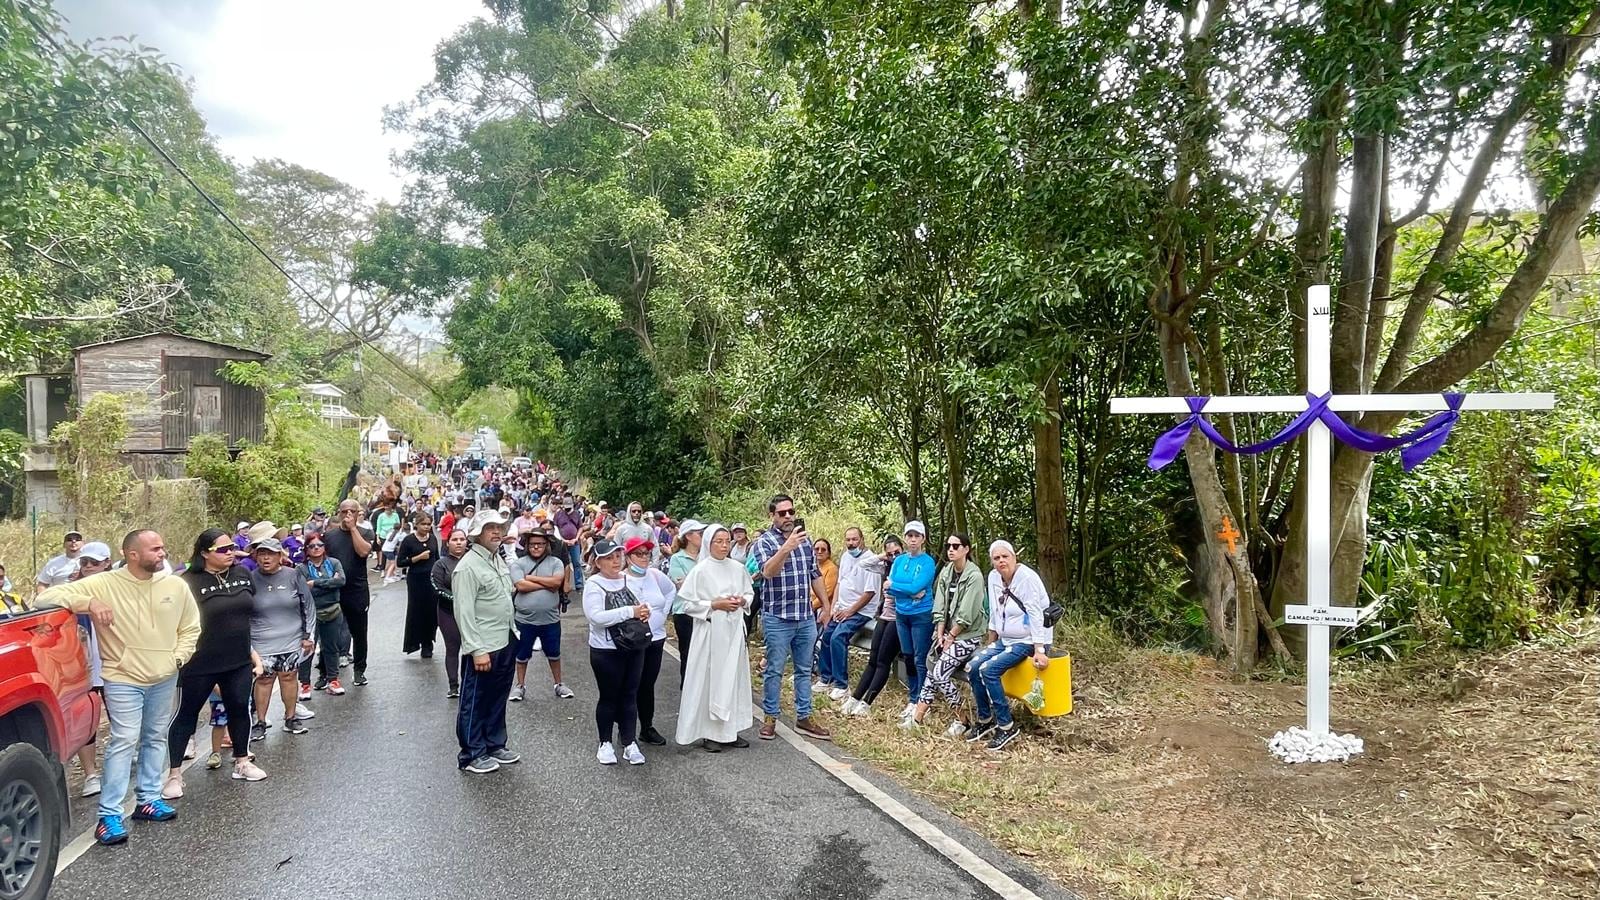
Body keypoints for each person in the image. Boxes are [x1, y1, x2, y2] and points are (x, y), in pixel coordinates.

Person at [38, 530, 199, 846]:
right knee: (124, 739)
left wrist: (177, 658)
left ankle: (148, 799)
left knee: (154, 736)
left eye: (163, 547)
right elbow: (44, 598)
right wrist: (89, 601)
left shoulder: (175, 585)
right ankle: (108, 816)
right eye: (155, 549)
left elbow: (191, 627)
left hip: (164, 675)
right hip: (122, 677)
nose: (162, 553)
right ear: (133, 554)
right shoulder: (105, 583)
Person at [166, 529, 267, 800]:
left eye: (232, 547)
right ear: (204, 553)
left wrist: (252, 653)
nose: (230, 552)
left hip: (237, 659)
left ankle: (242, 761)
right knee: (186, 714)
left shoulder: (242, 575)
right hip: (200, 661)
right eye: (223, 550)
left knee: (239, 708)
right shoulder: (187, 582)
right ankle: (174, 775)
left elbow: (246, 616)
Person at [750, 494, 831, 741]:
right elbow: (768, 572)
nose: (788, 517)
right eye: (782, 513)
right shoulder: (763, 543)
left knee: (804, 669)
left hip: (804, 615)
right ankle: (770, 717)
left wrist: (826, 605)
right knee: (774, 669)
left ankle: (804, 716)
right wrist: (786, 547)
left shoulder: (805, 542)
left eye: (790, 512)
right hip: (777, 617)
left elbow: (814, 574)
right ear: (772, 516)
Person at [452, 510, 521, 774]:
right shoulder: (468, 566)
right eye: (489, 527)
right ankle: (471, 754)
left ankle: (494, 744)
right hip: (483, 646)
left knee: (497, 696)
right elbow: (464, 612)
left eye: (499, 527)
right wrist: (476, 649)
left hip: (504, 639)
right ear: (476, 534)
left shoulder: (496, 559)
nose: (496, 532)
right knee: (475, 699)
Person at [967, 541, 1052, 752]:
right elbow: (995, 611)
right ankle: (985, 719)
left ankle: (1006, 725)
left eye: (1005, 556)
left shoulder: (1027, 578)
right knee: (974, 666)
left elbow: (1035, 613)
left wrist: (1039, 650)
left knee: (989, 670)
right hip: (1005, 639)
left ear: (1014, 557)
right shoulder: (994, 578)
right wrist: (991, 640)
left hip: (1028, 640)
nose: (1001, 561)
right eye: (996, 558)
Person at [675, 525, 754, 751]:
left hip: (732, 633)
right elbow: (687, 604)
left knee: (733, 678)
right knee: (709, 679)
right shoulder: (701, 570)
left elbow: (749, 593)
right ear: (709, 543)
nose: (723, 545)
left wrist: (741, 601)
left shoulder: (738, 568)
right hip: (710, 633)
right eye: (718, 541)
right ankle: (710, 732)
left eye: (726, 541)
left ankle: (731, 730)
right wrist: (713, 604)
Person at [903, 531, 987, 735]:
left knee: (939, 673)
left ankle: (963, 719)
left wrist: (951, 636)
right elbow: (939, 606)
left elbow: (967, 613)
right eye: (948, 546)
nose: (951, 550)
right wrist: (940, 633)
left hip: (968, 635)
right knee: (932, 669)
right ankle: (917, 718)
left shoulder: (974, 576)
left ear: (966, 550)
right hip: (947, 633)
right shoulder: (947, 572)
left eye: (956, 546)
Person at [582, 539, 652, 766]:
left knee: (630, 694)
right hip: (606, 650)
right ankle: (605, 742)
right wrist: (629, 611)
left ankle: (629, 741)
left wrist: (643, 612)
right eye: (609, 557)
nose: (615, 561)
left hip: (633, 646)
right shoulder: (594, 584)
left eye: (617, 556)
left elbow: (643, 604)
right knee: (609, 696)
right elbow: (596, 617)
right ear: (598, 561)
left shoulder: (629, 579)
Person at [248, 538, 315, 741]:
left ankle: (291, 717)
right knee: (264, 680)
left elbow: (308, 606)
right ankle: (260, 722)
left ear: (280, 556)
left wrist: (308, 636)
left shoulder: (293, 575)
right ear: (256, 556)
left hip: (291, 639)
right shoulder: (250, 579)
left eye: (271, 554)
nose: (266, 558)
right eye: (262, 554)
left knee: (289, 677)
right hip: (262, 641)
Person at [68, 543, 113, 797]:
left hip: (115, 665)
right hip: (84, 669)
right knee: (87, 724)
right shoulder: (72, 591)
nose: (88, 567)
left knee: (121, 716)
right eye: (84, 563)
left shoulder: (119, 588)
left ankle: (127, 757)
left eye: (93, 563)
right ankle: (90, 774)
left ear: (107, 562)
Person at [622, 536, 676, 746]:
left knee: (647, 684)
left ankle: (646, 726)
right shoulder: (621, 579)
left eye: (647, 554)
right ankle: (625, 729)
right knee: (629, 684)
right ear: (628, 557)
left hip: (656, 638)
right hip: (633, 641)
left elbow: (671, 590)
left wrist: (663, 613)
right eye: (639, 554)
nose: (644, 558)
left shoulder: (655, 575)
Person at [508, 530, 574, 702]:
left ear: (547, 545)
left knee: (554, 653)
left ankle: (559, 684)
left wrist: (531, 578)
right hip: (524, 619)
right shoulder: (518, 563)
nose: (536, 547)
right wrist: (546, 583)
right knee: (521, 655)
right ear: (527, 545)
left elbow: (556, 583)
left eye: (540, 544)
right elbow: (520, 586)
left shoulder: (556, 562)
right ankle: (520, 685)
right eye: (532, 544)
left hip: (550, 619)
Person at [844, 536, 904, 716]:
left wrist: (899, 559)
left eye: (897, 552)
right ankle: (855, 698)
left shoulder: (906, 568)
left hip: (898, 619)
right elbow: (863, 564)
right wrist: (883, 557)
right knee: (873, 659)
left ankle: (867, 703)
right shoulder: (885, 567)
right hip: (883, 616)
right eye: (890, 553)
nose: (894, 556)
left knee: (883, 661)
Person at [818, 527, 880, 701]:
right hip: (841, 608)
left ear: (862, 539)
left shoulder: (871, 560)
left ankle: (841, 684)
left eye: (854, 539)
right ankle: (826, 677)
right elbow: (840, 583)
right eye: (848, 540)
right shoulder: (845, 557)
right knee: (827, 635)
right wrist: (833, 607)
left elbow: (869, 593)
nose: (851, 543)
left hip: (861, 611)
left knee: (838, 637)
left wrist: (850, 611)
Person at [321, 500, 375, 686]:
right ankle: (325, 673)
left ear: (359, 513)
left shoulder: (366, 532)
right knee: (328, 631)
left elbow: (363, 552)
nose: (348, 515)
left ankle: (359, 670)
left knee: (359, 632)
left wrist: (353, 529)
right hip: (333, 590)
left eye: (352, 511)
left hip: (357, 590)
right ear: (339, 513)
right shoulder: (329, 536)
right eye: (345, 511)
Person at [887, 520, 937, 718]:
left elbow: (917, 587)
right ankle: (912, 697)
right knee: (907, 656)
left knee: (919, 658)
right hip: (902, 614)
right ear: (905, 538)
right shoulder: (899, 561)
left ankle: (923, 700)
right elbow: (889, 587)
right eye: (910, 536)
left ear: (923, 539)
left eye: (917, 536)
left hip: (921, 615)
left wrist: (900, 587)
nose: (913, 539)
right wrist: (907, 590)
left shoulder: (927, 562)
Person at [300, 537, 347, 695]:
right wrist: (329, 583)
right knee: (307, 649)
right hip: (310, 614)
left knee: (331, 646)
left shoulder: (334, 563)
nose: (316, 548)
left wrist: (316, 583)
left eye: (319, 545)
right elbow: (303, 590)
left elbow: (341, 581)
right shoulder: (302, 568)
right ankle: (305, 684)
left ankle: (333, 679)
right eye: (311, 546)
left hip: (332, 610)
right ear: (306, 549)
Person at [432, 527, 470, 699]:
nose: (459, 543)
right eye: (455, 540)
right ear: (448, 543)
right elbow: (437, 588)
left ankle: (470, 683)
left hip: (472, 612)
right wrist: (458, 599)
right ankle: (453, 685)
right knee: (453, 647)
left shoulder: (472, 561)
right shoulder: (440, 564)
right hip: (448, 611)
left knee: (471, 648)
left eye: (462, 539)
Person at [666, 519, 706, 683]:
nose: (703, 537)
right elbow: (682, 585)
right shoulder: (677, 559)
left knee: (704, 654)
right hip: (684, 611)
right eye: (700, 533)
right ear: (688, 536)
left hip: (705, 609)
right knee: (688, 652)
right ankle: (687, 686)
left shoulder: (707, 557)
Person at [397, 513, 440, 658]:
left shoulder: (433, 539)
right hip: (416, 580)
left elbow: (437, 559)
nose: (426, 527)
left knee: (431, 611)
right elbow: (400, 562)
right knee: (417, 611)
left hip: (431, 580)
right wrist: (418, 558)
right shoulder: (408, 541)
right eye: (424, 524)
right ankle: (417, 642)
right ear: (417, 524)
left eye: (429, 524)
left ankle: (428, 642)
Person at [376, 499, 403, 584]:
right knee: (385, 554)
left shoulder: (395, 515)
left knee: (394, 555)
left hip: (393, 535)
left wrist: (398, 531)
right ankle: (383, 570)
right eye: (386, 506)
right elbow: (378, 527)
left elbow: (398, 524)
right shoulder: (381, 516)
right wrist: (378, 537)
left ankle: (393, 572)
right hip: (384, 536)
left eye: (389, 506)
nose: (388, 508)